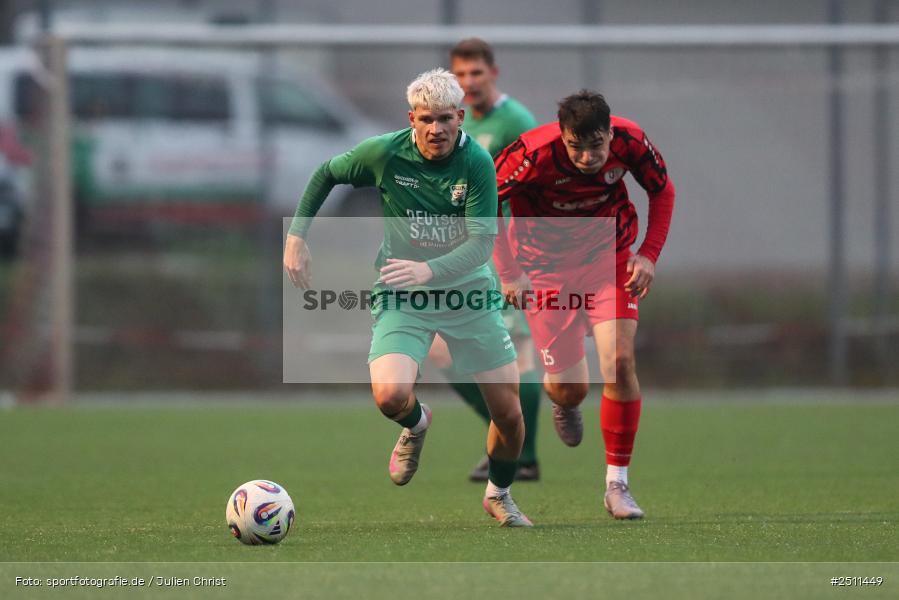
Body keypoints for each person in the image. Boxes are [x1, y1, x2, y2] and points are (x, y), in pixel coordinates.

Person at [284, 68, 533, 527]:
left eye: (445, 119)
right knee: (390, 395)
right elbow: (326, 173)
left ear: (460, 117)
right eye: (426, 120)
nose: (436, 129)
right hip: (403, 294)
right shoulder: (384, 152)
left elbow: (482, 243)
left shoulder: (477, 162)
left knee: (511, 416)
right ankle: (416, 425)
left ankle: (499, 493)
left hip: (468, 295)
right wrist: (296, 236)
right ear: (411, 119)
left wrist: (430, 269)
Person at [493, 90, 675, 519]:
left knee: (620, 360)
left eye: (596, 146)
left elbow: (662, 191)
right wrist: (508, 272)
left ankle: (617, 485)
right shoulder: (531, 154)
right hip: (544, 271)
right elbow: (481, 208)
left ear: (610, 134)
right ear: (563, 135)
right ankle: (565, 400)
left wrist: (648, 253)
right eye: (576, 146)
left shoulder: (632, 141)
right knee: (568, 387)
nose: (587, 156)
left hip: (607, 260)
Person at [427, 38, 543, 483]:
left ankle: (523, 454)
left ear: (493, 73)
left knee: (518, 353)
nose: (469, 82)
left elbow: (536, 187)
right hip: (462, 251)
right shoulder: (454, 121)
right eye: (460, 74)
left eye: (476, 73)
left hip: (507, 249)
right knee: (439, 349)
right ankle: (507, 433)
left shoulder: (515, 121)